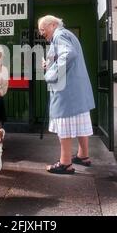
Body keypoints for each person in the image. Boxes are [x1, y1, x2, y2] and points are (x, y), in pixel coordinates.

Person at [38, 15, 95, 175]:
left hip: (67, 91)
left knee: (65, 124)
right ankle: (83, 156)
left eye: (43, 29)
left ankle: (65, 164)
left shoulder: (59, 34)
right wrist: (50, 63)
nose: (42, 33)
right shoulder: (67, 35)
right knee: (80, 121)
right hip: (77, 89)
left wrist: (51, 74)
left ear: (54, 24)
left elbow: (68, 54)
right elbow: (66, 55)